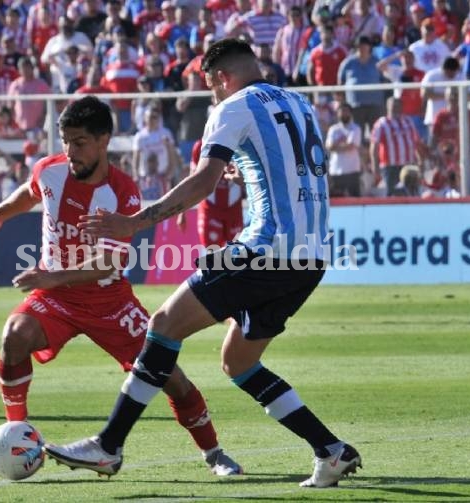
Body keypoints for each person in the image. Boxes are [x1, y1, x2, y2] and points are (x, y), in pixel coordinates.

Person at [47, 39, 362, 489]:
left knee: (163, 325)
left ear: (218, 77)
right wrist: (249, 174)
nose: (209, 93)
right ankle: (332, 451)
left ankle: (109, 445)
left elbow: (202, 181)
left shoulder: (232, 106)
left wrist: (136, 222)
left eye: (206, 83)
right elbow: (291, 169)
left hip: (265, 251)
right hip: (310, 257)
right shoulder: (299, 101)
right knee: (239, 362)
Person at [0, 96, 242, 477]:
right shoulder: (51, 170)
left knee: (170, 377)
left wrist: (49, 277)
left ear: (104, 141)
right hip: (56, 297)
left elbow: (110, 263)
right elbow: (31, 191)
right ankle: (19, 433)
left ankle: (214, 453)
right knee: (15, 334)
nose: (70, 151)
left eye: (79, 143)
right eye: (65, 141)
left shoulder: (121, 192)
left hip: (109, 302)